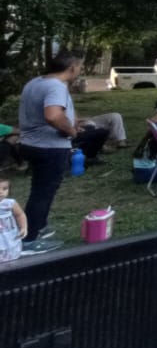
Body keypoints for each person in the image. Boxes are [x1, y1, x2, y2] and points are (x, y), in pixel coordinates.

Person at [17, 51, 90, 247]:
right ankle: (30, 239)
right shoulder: (55, 86)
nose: (80, 71)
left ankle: (38, 227)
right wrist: (71, 132)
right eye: (80, 67)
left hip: (29, 143)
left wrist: (72, 122)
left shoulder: (35, 82)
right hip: (49, 147)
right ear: (72, 67)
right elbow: (53, 115)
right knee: (42, 193)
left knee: (39, 190)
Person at [0, 177, 28, 262]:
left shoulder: (10, 203)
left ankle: (11, 264)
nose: (1, 192)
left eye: (4, 189)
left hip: (8, 232)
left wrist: (23, 227)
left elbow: (20, 215)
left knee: (10, 246)